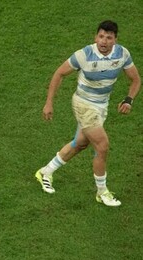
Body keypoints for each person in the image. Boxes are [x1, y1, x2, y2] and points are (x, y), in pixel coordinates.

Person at [35, 20, 140, 206]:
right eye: (101, 36)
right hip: (83, 104)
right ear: (95, 37)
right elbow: (59, 73)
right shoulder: (84, 55)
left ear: (115, 39)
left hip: (101, 106)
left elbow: (136, 80)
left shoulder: (122, 54)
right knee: (102, 145)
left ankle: (45, 172)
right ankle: (102, 192)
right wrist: (49, 103)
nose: (104, 41)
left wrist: (128, 100)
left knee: (80, 143)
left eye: (109, 38)